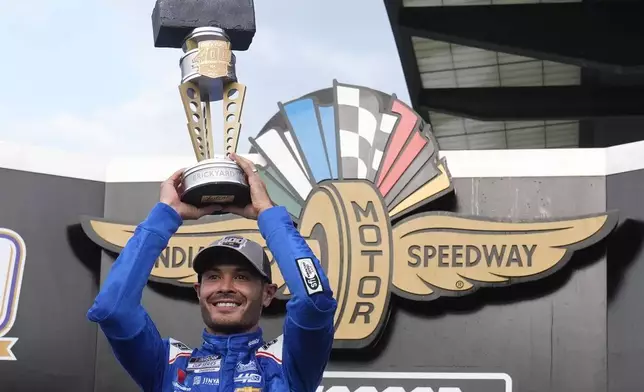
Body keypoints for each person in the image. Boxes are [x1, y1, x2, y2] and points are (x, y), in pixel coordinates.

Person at [87, 153, 337, 392]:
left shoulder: (287, 364)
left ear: (268, 293)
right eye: (213, 277)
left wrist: (267, 213)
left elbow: (314, 299)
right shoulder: (168, 366)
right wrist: (165, 215)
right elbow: (112, 309)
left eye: (241, 277)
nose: (225, 287)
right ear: (198, 291)